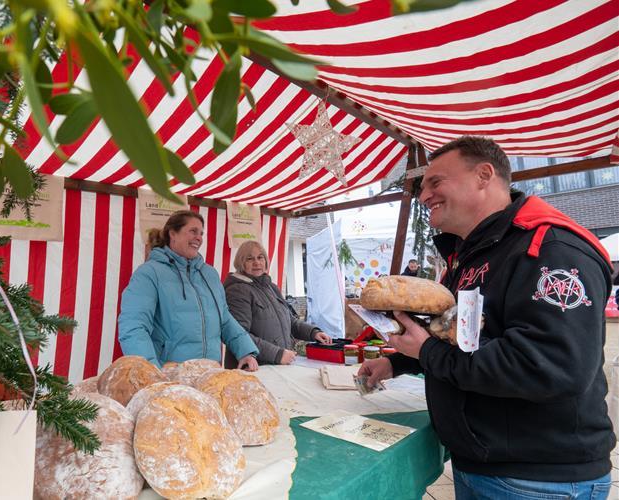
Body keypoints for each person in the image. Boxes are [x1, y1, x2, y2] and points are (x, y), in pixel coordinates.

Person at [359, 136, 615, 499]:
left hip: (539, 480)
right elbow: (461, 338)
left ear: (483, 175)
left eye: (435, 182)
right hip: (481, 464)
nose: (424, 196)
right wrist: (397, 362)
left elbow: (550, 366)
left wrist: (427, 352)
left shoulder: (551, 248)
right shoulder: (469, 256)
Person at [118, 210, 259, 370]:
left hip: (211, 371)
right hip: (170, 376)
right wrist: (149, 370)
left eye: (201, 233)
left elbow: (224, 319)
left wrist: (245, 351)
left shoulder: (209, 274)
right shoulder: (149, 273)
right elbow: (133, 326)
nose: (199, 238)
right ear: (173, 234)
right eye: (193, 231)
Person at [224, 241, 332, 366]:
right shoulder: (237, 291)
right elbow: (239, 334)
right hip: (254, 368)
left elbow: (290, 321)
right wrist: (277, 354)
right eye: (250, 259)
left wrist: (313, 333)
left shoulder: (270, 287)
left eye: (260, 257)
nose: (257, 262)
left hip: (277, 364)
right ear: (241, 263)